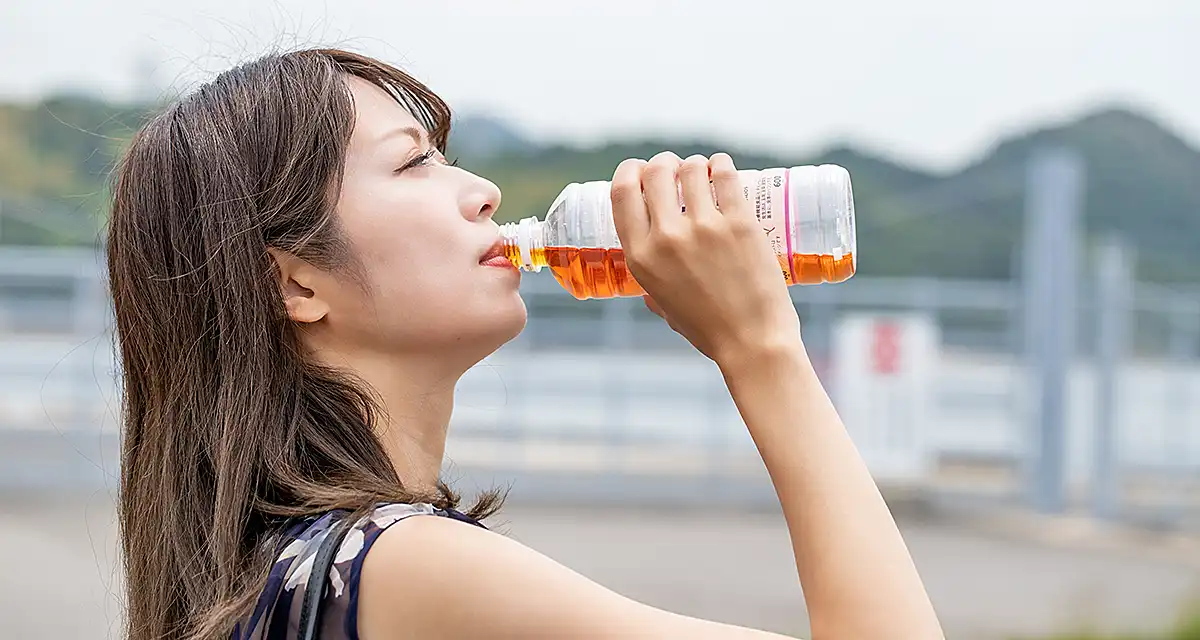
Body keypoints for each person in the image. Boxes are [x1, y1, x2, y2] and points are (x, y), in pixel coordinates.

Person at [107, 48, 944, 639]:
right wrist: (762, 347)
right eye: (413, 165)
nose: (482, 192)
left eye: (448, 158)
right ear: (296, 284)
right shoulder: (400, 570)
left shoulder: (281, 571)